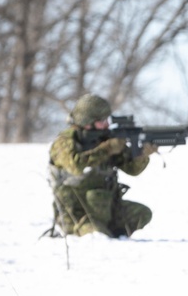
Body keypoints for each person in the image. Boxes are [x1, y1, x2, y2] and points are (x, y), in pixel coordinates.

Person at [47, 93, 158, 237]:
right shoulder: (64, 142)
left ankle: (114, 235)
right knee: (97, 236)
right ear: (87, 121)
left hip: (107, 209)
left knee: (142, 214)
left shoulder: (106, 139)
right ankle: (100, 234)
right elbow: (76, 166)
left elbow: (132, 169)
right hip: (77, 214)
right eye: (102, 120)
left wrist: (142, 154)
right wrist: (108, 149)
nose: (107, 124)